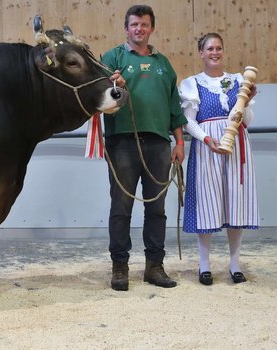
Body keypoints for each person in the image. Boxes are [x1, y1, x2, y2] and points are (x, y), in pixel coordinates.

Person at [101, 4, 187, 291]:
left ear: (152, 28)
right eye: (134, 24)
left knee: (157, 209)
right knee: (121, 207)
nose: (139, 29)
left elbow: (174, 106)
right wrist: (115, 87)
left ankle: (154, 266)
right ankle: (120, 268)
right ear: (127, 28)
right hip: (123, 142)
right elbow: (99, 96)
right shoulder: (113, 57)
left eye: (144, 25)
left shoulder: (164, 63)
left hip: (160, 144)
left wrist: (179, 142)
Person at [179, 33, 258, 285]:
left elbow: (248, 121)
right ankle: (204, 266)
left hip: (236, 143)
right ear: (201, 53)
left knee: (236, 200)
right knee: (207, 203)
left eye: (219, 48)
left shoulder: (238, 80)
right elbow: (188, 120)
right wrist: (205, 139)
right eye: (210, 48)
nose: (215, 52)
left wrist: (245, 100)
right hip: (208, 146)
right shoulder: (192, 83)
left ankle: (235, 265)